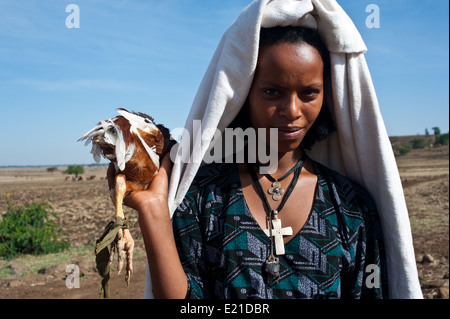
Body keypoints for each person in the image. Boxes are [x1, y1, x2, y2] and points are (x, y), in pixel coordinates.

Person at [111, 0, 422, 299]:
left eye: (309, 93)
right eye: (273, 92)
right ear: (244, 95)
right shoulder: (205, 198)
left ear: (327, 97)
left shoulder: (352, 208)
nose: (292, 110)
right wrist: (153, 212)